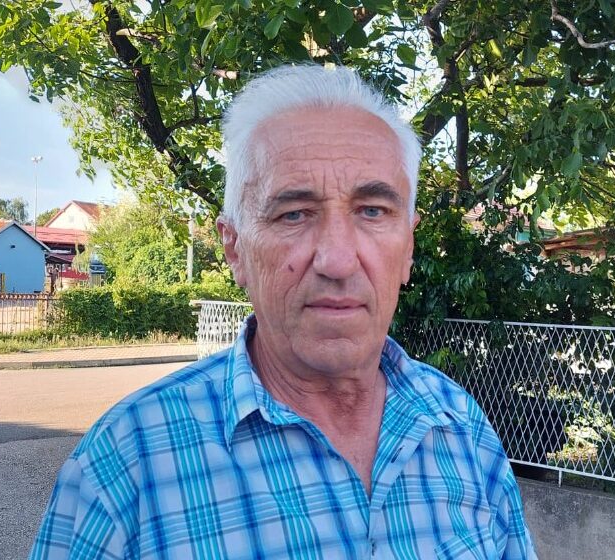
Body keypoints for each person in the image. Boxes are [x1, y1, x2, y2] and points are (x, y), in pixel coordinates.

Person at [30, 64, 537, 560]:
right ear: (234, 248)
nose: (337, 260)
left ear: (407, 247)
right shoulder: (128, 461)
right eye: (293, 214)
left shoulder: (459, 426)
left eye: (373, 211)